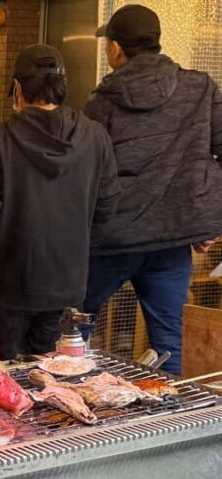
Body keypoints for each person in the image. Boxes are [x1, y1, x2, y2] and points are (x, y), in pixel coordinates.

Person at [84, 5, 222, 374]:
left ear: (116, 48)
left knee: (74, 329)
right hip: (171, 240)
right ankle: (169, 411)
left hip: (110, 240)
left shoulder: (102, 101)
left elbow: (85, 171)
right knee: (168, 343)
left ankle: (70, 401)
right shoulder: (200, 88)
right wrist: (205, 219)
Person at [0, 44, 119, 360]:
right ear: (62, 85)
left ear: (17, 89)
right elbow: (107, 209)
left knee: (0, 377)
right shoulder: (95, 136)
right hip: (68, 287)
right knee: (55, 376)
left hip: (9, 288)